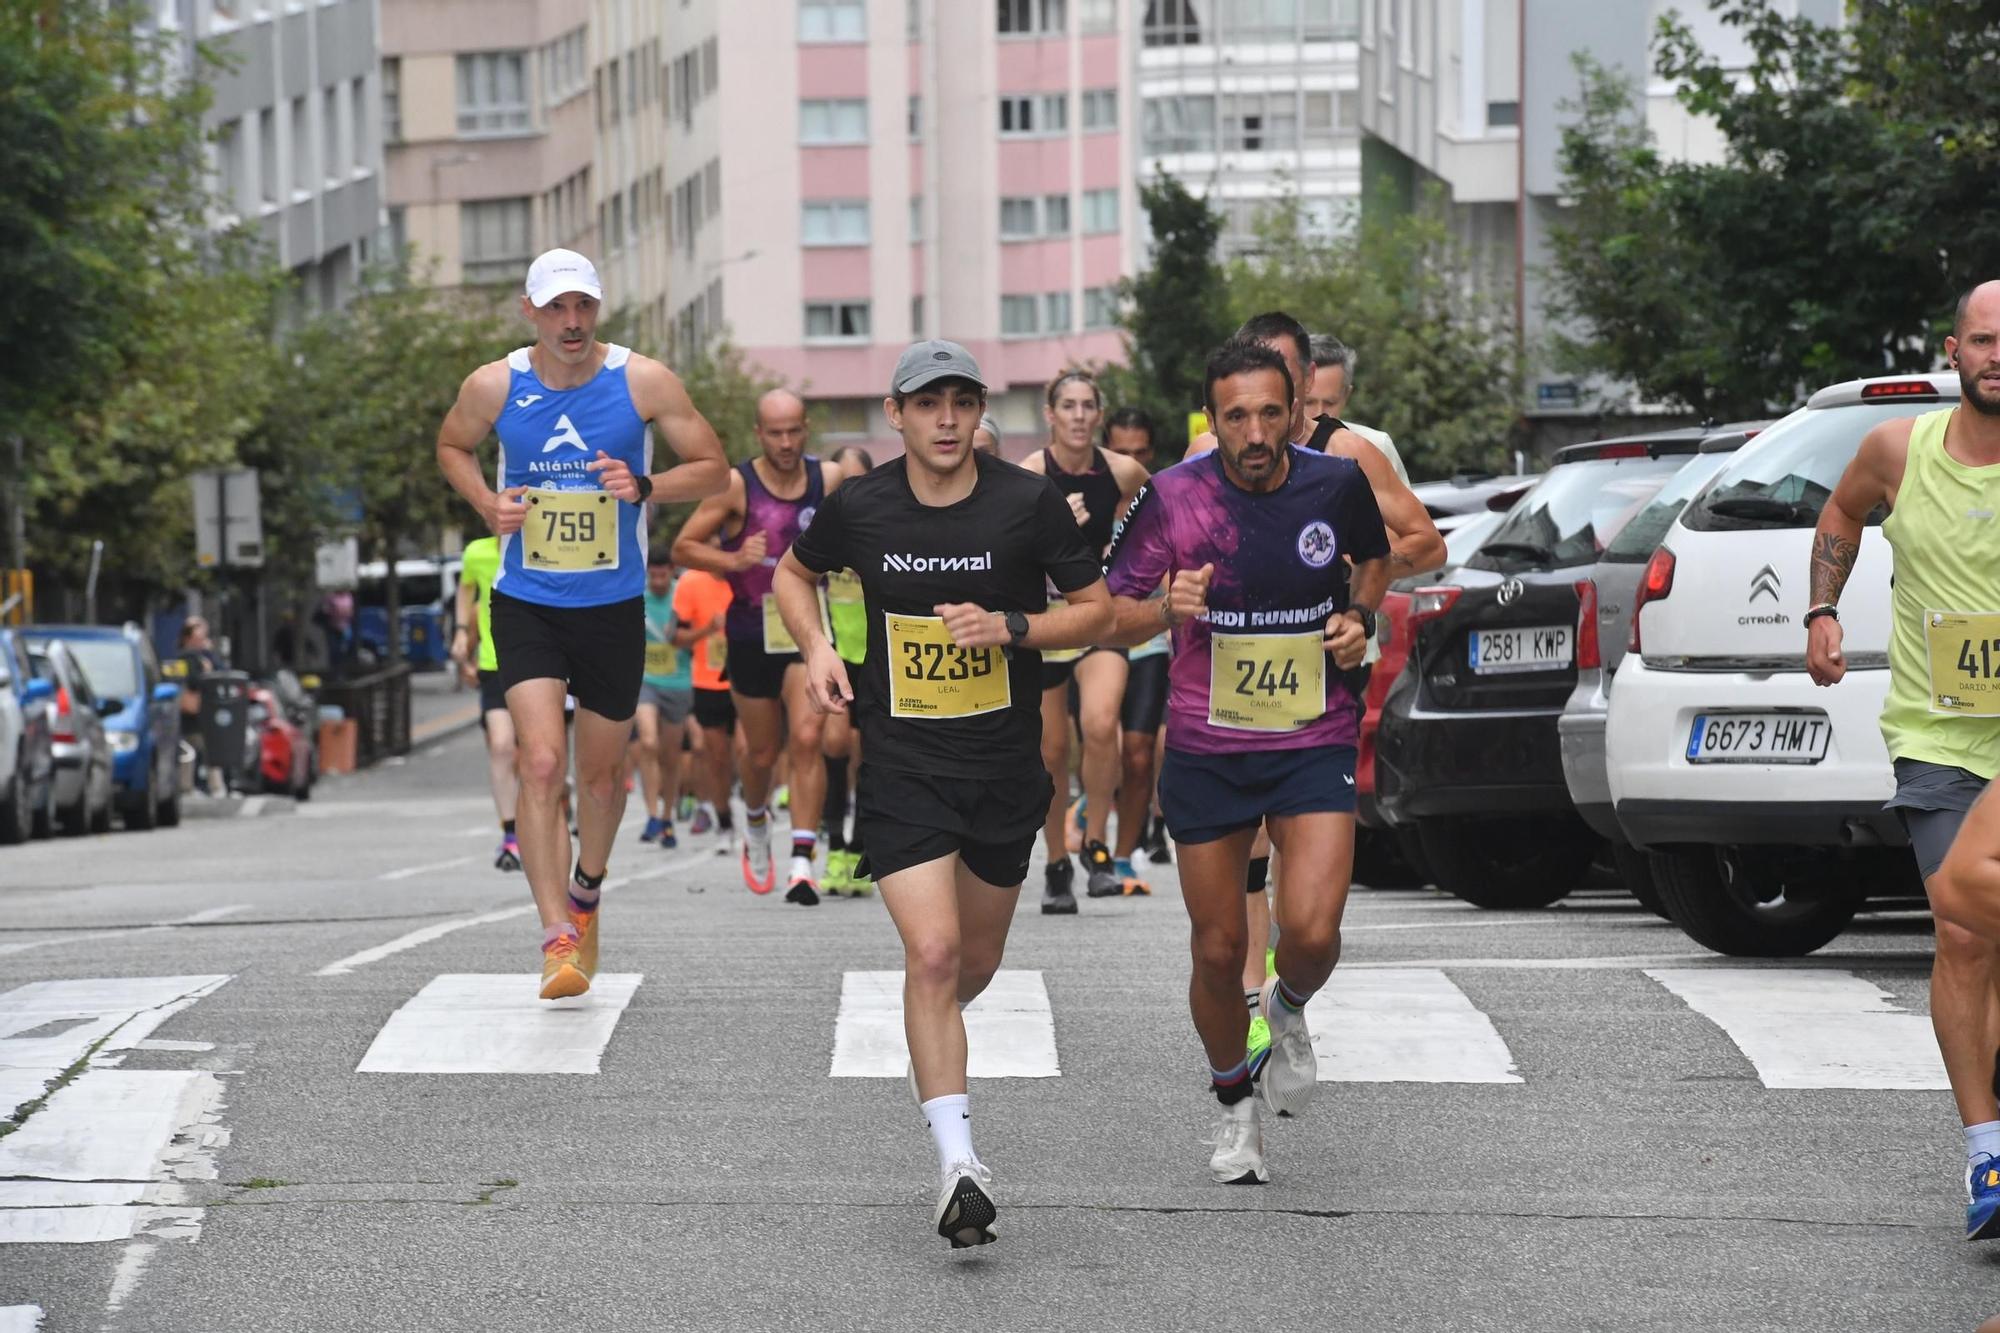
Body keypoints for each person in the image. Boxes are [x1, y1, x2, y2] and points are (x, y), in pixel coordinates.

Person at [776, 339, 1112, 1248]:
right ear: (897, 414)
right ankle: (959, 1166)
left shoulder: (1025, 501)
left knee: (971, 965)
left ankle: (934, 1046)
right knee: (931, 954)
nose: (948, 419)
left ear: (980, 410)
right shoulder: (862, 506)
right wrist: (817, 647)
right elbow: (793, 573)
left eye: (963, 402)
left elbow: (1098, 608)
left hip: (1003, 770)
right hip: (904, 766)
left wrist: (1013, 625)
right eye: (929, 403)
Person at [1104, 337, 1390, 1185]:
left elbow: (1374, 559)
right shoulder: (1172, 495)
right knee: (1218, 949)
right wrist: (1165, 606)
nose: (1256, 432)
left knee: (1313, 930)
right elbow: (1110, 608)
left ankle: (1288, 1005)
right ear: (1212, 418)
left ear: (1296, 409)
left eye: (1271, 412)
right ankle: (1234, 1105)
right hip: (1209, 747)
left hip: (1311, 734)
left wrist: (1360, 618)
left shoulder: (1336, 483)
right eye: (1237, 416)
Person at [435, 247, 728, 1001]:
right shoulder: (495, 384)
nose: (572, 322)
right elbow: (452, 444)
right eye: (557, 308)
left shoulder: (643, 381)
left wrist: (647, 485)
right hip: (527, 601)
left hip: (611, 607)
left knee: (600, 777)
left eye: (583, 306)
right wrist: (485, 502)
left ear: (598, 308)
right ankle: (555, 936)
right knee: (540, 763)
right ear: (530, 312)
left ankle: (587, 887)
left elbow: (714, 468)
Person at [1188, 312, 1445, 1057]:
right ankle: (1251, 1007)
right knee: (1247, 841)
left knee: (1304, 874)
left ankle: (1287, 981)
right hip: (1232, 673)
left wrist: (1349, 579)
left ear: (1302, 383)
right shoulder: (1205, 454)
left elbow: (1425, 542)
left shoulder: (1348, 453)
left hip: (1321, 673)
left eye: (1280, 382)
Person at [1811, 279, 2000, 1241]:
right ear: (1953, 350)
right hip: (1939, 735)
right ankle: (1987, 1153)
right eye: (1985, 340)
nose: (1999, 357)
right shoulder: (1899, 449)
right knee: (1963, 931)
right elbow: (1840, 514)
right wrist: (1822, 610)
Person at [673, 390, 846, 904]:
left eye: (794, 431)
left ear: (807, 428)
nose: (786, 443)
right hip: (751, 632)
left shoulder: (829, 479)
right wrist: (733, 560)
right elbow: (684, 546)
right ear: (759, 434)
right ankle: (755, 820)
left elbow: (862, 533)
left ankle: (802, 862)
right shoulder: (735, 484)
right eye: (776, 433)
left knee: (809, 737)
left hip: (807, 631)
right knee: (762, 752)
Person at [1021, 372, 1152, 909]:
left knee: (1101, 724)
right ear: (1050, 415)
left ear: (1099, 415)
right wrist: (1052, 527)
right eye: (1068, 406)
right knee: (1051, 750)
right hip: (1047, 622)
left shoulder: (1123, 471)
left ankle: (1097, 846)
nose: (1078, 416)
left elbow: (1159, 524)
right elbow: (1006, 551)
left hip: (1099, 617)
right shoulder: (1029, 474)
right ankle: (1056, 861)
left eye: (1087, 406)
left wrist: (1128, 569)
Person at [1101, 407, 1174, 880]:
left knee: (1140, 750)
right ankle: (1091, 829)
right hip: (1090, 641)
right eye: (1121, 451)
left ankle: (1124, 854)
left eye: (1140, 452)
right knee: (1100, 739)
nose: (1131, 460)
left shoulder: (1163, 499)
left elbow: (1175, 563)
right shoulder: (1083, 497)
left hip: (1148, 641)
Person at [821, 445, 876, 896]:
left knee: (869, 755)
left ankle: (861, 846)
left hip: (877, 658)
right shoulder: (822, 531)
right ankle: (835, 846)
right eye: (842, 481)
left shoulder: (885, 528)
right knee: (836, 746)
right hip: (837, 655)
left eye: (857, 480)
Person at [450, 535, 521, 870]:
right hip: (493, 665)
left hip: (537, 664)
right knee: (502, 746)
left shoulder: (536, 547)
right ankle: (511, 835)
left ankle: (551, 817)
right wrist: (461, 632)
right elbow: (466, 591)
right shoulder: (476, 553)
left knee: (540, 759)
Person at [673, 562, 737, 850]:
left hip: (747, 677)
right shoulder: (690, 582)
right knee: (717, 756)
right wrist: (707, 630)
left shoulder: (750, 575)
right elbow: (675, 637)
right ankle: (724, 819)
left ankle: (757, 810)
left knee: (749, 751)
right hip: (708, 682)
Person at [636, 550, 696, 849]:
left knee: (671, 756)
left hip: (679, 681)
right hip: (646, 681)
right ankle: (651, 814)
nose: (658, 581)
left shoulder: (682, 595)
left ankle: (667, 815)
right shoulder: (638, 594)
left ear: (672, 571)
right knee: (648, 742)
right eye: (653, 575)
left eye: (663, 575)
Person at [1303, 333, 1411, 485]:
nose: (1319, 413)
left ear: (1346, 395)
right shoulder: (1272, 450)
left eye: (1330, 402)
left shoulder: (1377, 446)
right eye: (1308, 402)